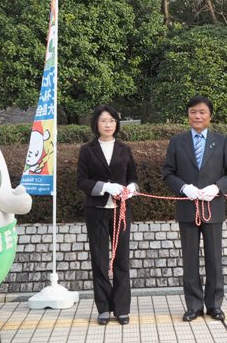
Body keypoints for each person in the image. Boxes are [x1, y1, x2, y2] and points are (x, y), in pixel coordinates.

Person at [162, 96, 227, 322]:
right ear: (188, 115)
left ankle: (214, 305)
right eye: (193, 112)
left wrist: (217, 187)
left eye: (202, 112)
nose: (198, 116)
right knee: (190, 259)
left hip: (213, 208)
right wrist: (184, 188)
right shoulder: (177, 142)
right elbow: (168, 173)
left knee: (214, 259)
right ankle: (194, 306)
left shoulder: (222, 141)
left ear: (210, 116)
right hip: (187, 208)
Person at [76, 105, 139, 326]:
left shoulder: (125, 149)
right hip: (96, 211)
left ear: (117, 124)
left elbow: (133, 177)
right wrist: (104, 187)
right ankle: (103, 307)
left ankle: (122, 308)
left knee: (121, 259)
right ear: (96, 124)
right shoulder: (87, 150)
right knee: (100, 260)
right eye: (104, 120)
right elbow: (81, 180)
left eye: (112, 120)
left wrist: (131, 188)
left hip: (121, 211)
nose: (108, 124)